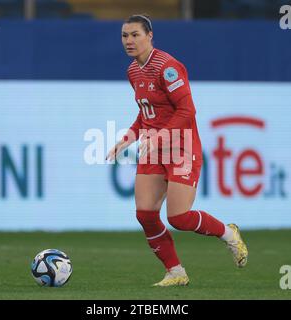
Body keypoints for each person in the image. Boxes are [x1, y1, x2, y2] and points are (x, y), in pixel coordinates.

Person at [106, 14, 248, 287]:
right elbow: (145, 113)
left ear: (150, 36)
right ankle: (175, 272)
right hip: (155, 149)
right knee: (145, 213)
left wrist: (158, 136)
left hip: (182, 147)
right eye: (125, 35)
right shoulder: (132, 71)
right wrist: (128, 137)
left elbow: (187, 110)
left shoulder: (167, 67)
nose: (129, 41)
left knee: (179, 217)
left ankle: (229, 234)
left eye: (135, 34)